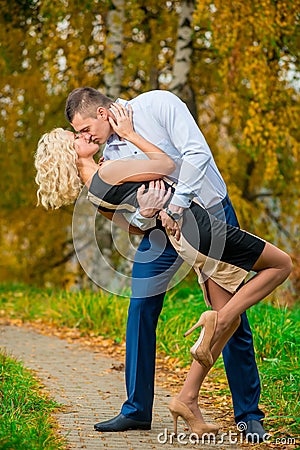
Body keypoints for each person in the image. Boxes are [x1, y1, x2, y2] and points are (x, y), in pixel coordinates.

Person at [35, 103, 292, 440]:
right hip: (171, 230)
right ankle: (138, 410)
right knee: (143, 308)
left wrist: (158, 195)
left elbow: (190, 156)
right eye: (76, 135)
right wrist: (145, 211)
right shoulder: (104, 170)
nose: (83, 136)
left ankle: (247, 414)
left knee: (230, 315)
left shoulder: (154, 107)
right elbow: (139, 214)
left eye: (83, 129)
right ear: (70, 152)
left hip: (201, 209)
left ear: (100, 112)